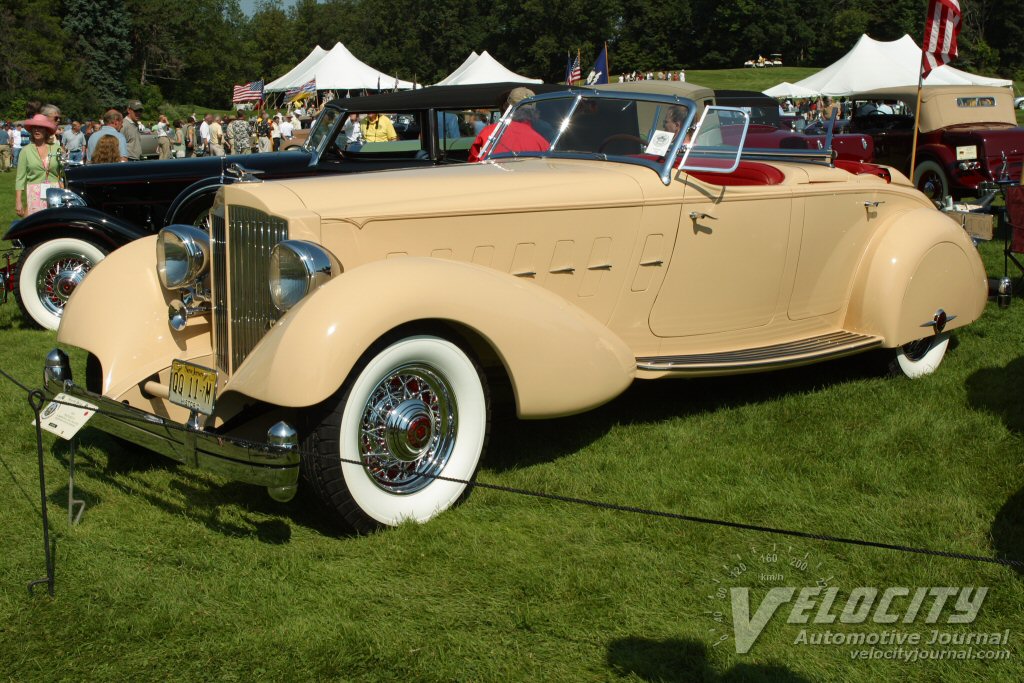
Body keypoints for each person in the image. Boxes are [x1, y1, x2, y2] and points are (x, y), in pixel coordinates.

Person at [467, 88, 548, 162]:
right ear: (534, 111)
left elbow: (474, 164)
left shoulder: (489, 133)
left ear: (506, 106)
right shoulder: (543, 141)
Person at [14, 114, 62, 217]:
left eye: (40, 127)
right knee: (37, 224)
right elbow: (20, 178)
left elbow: (62, 175)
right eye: (34, 127)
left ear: (46, 130)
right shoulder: (25, 151)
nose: (36, 130)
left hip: (55, 192)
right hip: (34, 194)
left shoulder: (57, 149)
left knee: (55, 224)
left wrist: (64, 193)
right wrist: (18, 201)